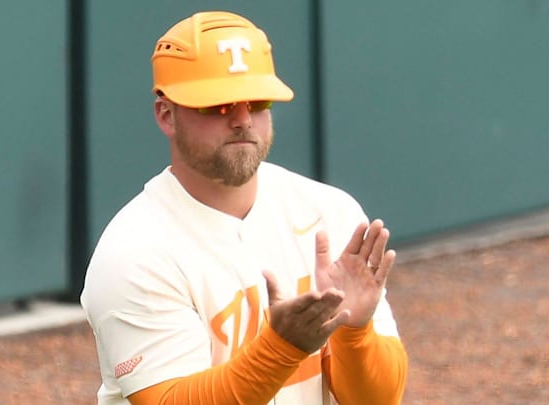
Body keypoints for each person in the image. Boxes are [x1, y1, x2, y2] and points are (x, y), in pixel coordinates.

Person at [81, 10, 408, 405]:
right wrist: (280, 347)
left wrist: (355, 333)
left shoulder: (329, 212)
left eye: (256, 102)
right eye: (218, 105)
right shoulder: (134, 253)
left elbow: (378, 399)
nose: (242, 120)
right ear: (166, 114)